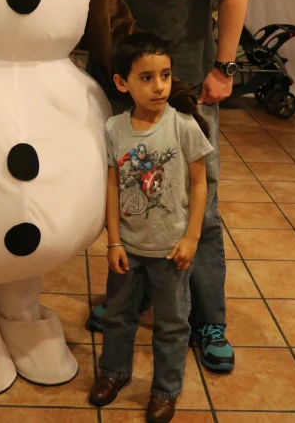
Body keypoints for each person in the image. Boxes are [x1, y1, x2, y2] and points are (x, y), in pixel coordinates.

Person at [61, 0, 249, 373]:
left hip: (184, 92)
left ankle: (207, 319)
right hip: (112, 91)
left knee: (200, 207)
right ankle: (129, 296)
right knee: (128, 201)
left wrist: (223, 67)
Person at [89, 32, 213, 423]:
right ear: (122, 83)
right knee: (117, 315)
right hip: (128, 245)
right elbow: (110, 185)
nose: (159, 86)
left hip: (172, 250)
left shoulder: (184, 127)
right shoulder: (113, 129)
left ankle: (165, 390)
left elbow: (199, 184)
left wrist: (192, 237)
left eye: (165, 75)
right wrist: (112, 241)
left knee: (173, 324)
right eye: (146, 77)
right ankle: (113, 373)